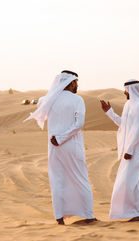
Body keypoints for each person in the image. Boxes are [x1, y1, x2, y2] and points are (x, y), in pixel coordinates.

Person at [24, 70, 96, 225]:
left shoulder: (49, 99)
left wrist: (29, 101)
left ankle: (59, 217)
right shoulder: (77, 100)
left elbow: (39, 103)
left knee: (57, 180)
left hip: (54, 146)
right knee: (80, 178)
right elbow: (79, 124)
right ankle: (88, 215)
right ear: (70, 83)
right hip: (71, 145)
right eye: (76, 82)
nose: (77, 85)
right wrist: (62, 137)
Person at [99, 79, 139, 222]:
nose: (124, 92)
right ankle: (138, 213)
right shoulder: (129, 105)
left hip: (137, 149)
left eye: (126, 90)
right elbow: (124, 125)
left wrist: (130, 149)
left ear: (132, 89)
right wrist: (109, 112)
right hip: (130, 150)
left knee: (133, 181)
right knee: (132, 182)